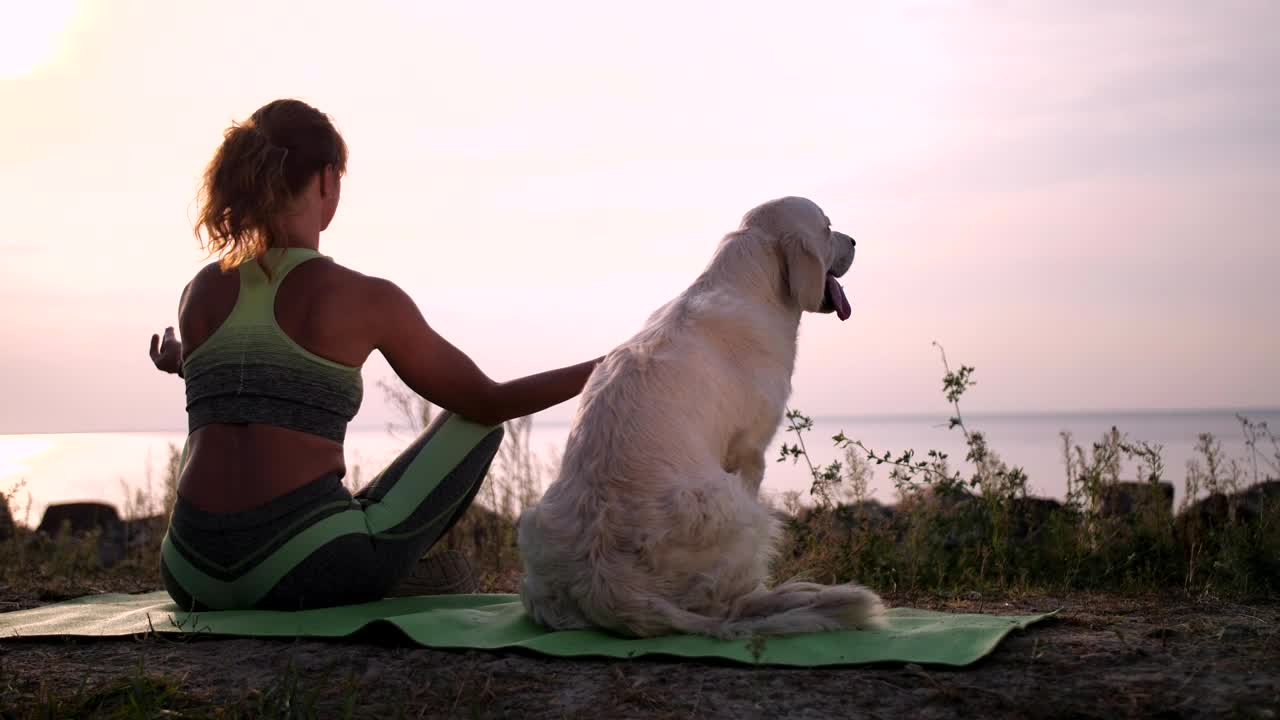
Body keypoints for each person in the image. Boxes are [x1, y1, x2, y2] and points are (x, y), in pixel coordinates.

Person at [147, 98, 603, 611]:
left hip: (190, 573)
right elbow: (487, 402)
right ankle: (376, 572)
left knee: (227, 422)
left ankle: (360, 559)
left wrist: (190, 363)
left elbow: (248, 391)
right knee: (476, 425)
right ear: (326, 181)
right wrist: (610, 368)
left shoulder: (200, 292)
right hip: (300, 568)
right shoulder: (364, 297)